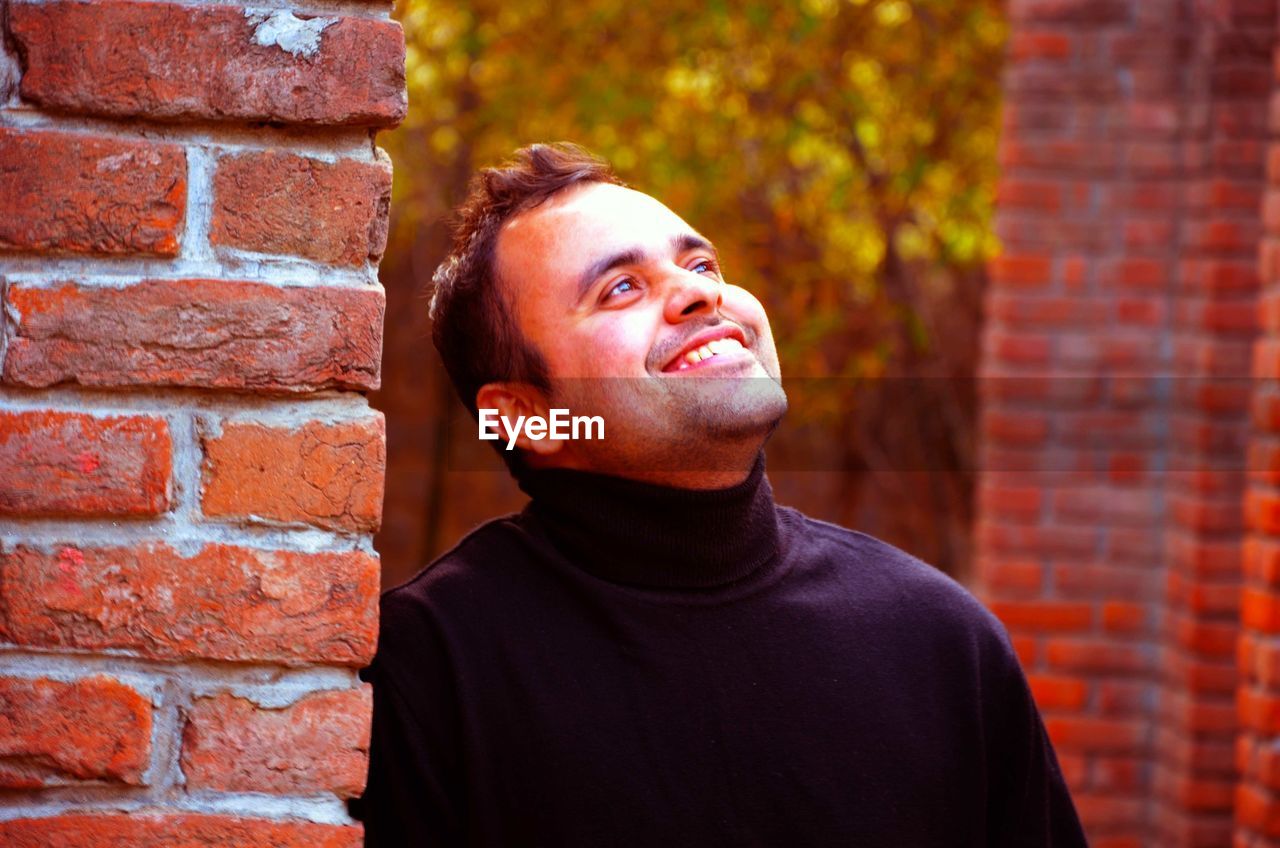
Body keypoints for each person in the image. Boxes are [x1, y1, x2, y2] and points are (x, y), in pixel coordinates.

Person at [351, 142, 1088, 846]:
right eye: (622, 288)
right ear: (527, 416)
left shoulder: (941, 640)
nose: (700, 291)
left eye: (701, 262)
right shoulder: (428, 672)